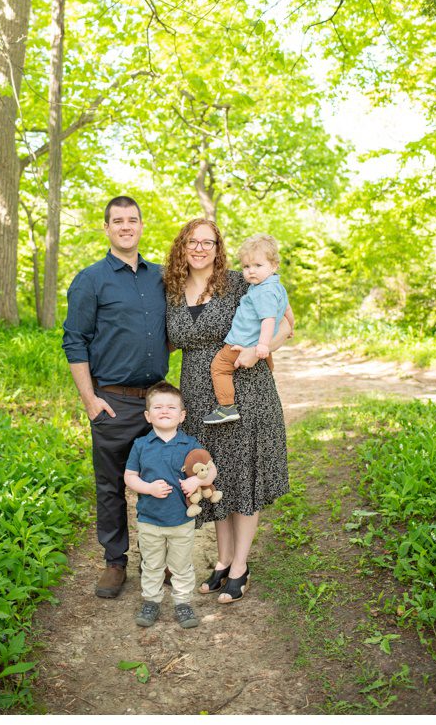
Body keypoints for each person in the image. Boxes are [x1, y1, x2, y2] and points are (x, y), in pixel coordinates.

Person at [164, 218, 294, 604]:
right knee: (214, 479)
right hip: (198, 395)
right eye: (193, 242)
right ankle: (221, 563)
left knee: (243, 475)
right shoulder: (171, 291)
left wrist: (258, 351)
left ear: (218, 248)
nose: (200, 248)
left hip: (244, 390)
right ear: (182, 247)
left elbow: (288, 323)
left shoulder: (241, 280)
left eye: (209, 242)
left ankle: (240, 566)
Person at [62, 196, 168, 599]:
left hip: (156, 401)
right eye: (118, 221)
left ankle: (157, 561)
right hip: (111, 399)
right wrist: (90, 399)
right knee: (110, 486)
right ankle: (115, 562)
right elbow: (74, 342)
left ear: (142, 226)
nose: (126, 226)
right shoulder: (90, 279)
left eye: (133, 220)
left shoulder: (161, 277)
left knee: (160, 481)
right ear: (106, 228)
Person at [124, 382, 216, 629]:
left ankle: (182, 602)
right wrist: (149, 488)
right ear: (148, 415)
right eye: (158, 407)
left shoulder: (190, 444)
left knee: (181, 565)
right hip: (149, 520)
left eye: (171, 407)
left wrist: (197, 479)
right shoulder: (141, 445)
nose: (164, 411)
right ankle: (151, 601)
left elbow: (211, 469)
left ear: (182, 415)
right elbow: (130, 476)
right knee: (152, 564)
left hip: (181, 521)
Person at [203, 235, 289, 426]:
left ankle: (226, 407)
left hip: (241, 342)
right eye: (246, 267)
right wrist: (289, 326)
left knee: (219, 367)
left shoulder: (262, 291)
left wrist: (263, 345)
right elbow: (285, 309)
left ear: (274, 266)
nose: (251, 272)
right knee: (267, 365)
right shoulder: (275, 287)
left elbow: (268, 319)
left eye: (258, 266)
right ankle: (268, 369)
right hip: (255, 341)